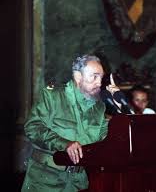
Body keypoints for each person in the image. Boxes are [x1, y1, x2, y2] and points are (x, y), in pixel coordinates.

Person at [21, 54, 109, 192]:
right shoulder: (53, 96)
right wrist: (64, 144)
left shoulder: (98, 107)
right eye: (95, 76)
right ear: (78, 77)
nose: (99, 83)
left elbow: (109, 137)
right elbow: (33, 127)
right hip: (46, 180)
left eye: (101, 77)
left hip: (78, 182)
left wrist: (119, 106)